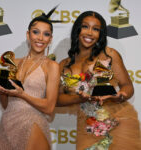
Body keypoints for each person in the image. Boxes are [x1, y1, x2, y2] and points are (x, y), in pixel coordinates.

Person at [57, 11, 141, 150]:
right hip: (87, 127)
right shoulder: (64, 65)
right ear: (77, 29)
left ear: (100, 34)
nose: (90, 33)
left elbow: (127, 87)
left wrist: (118, 96)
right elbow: (57, 99)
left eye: (96, 29)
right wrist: (79, 99)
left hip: (117, 123)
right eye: (85, 27)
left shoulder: (109, 55)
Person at [0, 9, 60, 150]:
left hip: (32, 123)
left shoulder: (51, 66)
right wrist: (2, 91)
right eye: (36, 32)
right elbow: (6, 106)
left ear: (50, 39)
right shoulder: (14, 62)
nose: (40, 38)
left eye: (46, 34)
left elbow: (49, 107)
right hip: (7, 124)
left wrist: (22, 94)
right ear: (28, 34)